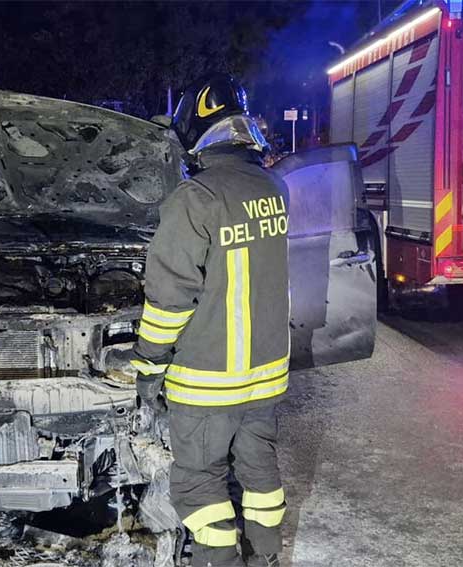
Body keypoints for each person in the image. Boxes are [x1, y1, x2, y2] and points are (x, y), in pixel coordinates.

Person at [131, 74, 290, 567]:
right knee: (260, 472)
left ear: (197, 135)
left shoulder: (195, 198)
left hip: (206, 383)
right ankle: (264, 557)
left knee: (200, 485)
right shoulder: (273, 187)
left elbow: (168, 301)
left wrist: (148, 363)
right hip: (265, 379)